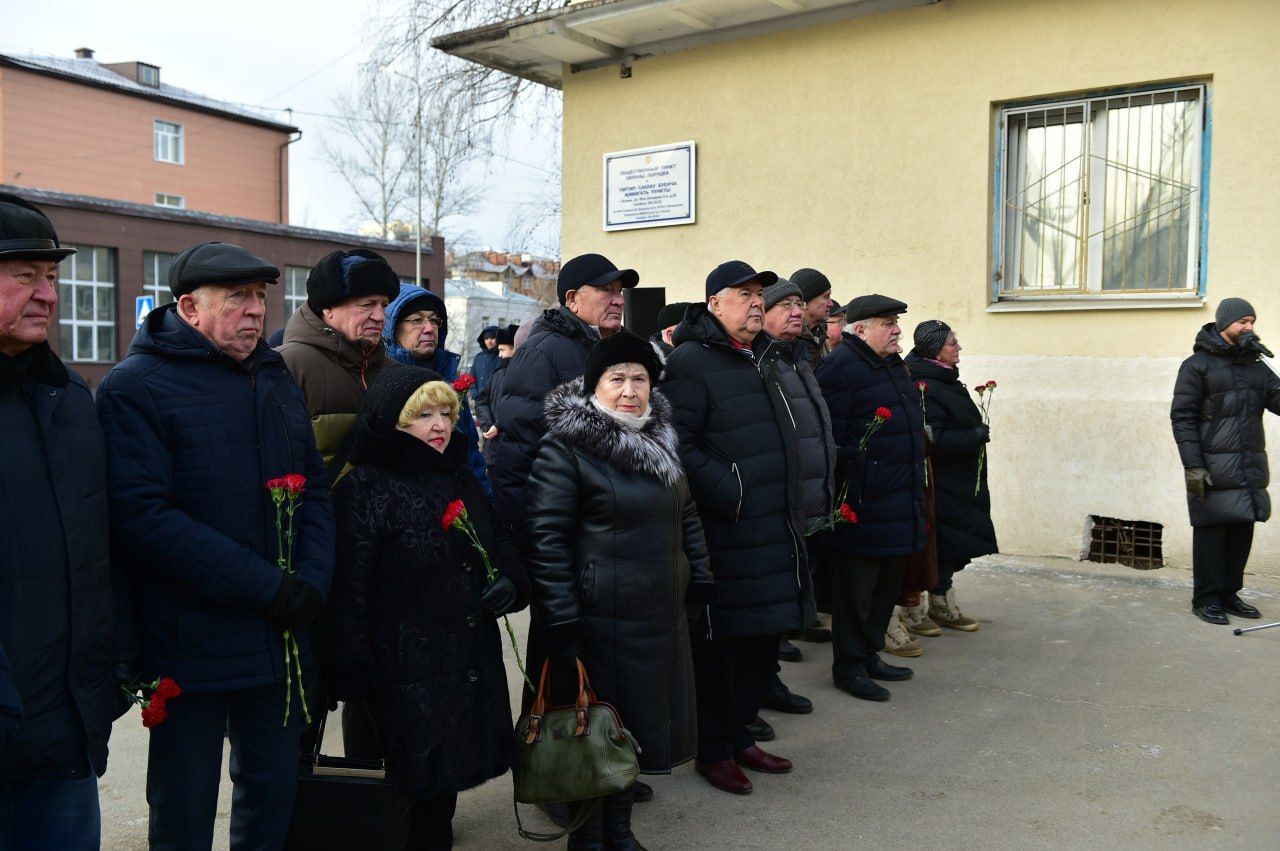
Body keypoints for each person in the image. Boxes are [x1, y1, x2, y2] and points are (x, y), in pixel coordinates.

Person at [97, 241, 335, 848]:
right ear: (189, 307)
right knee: (184, 807)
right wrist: (269, 587)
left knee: (272, 795)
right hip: (189, 643)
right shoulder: (136, 387)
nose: (256, 311)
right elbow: (144, 518)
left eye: (260, 296)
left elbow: (312, 489)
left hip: (278, 638)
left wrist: (312, 580)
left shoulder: (274, 374)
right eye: (237, 298)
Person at [524, 330, 713, 849]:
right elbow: (545, 537)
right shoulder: (567, 446)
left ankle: (621, 832)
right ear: (594, 386)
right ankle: (587, 839)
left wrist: (698, 574)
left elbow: (686, 512)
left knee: (633, 729)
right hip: (595, 618)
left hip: (656, 614)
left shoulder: (661, 437)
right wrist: (560, 616)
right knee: (592, 729)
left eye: (640, 378)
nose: (630, 390)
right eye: (617, 379)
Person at [328, 367, 528, 850]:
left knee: (442, 789)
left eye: (446, 413)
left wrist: (510, 578)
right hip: (399, 668)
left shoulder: (457, 473)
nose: (440, 425)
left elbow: (497, 535)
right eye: (423, 416)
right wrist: (350, 664)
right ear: (392, 421)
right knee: (398, 792)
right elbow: (348, 587)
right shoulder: (365, 488)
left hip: (462, 660)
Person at [663, 260, 813, 796]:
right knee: (723, 647)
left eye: (759, 293)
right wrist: (734, 490)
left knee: (762, 641)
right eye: (743, 294)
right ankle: (715, 748)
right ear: (713, 304)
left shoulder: (761, 357)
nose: (756, 301)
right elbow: (678, 441)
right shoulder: (690, 361)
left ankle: (741, 733)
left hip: (775, 525)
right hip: (727, 531)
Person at [0, 193, 117, 849]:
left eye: (52, 276)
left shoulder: (72, 401)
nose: (47, 293)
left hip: (65, 733)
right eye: (25, 275)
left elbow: (98, 553)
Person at [815, 294, 926, 702]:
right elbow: (831, 438)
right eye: (887, 322)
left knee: (885, 587)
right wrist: (857, 475)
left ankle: (870, 654)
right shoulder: (841, 368)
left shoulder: (893, 364)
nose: (897, 329)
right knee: (855, 592)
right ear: (859, 330)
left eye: (895, 321)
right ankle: (848, 666)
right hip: (862, 503)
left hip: (898, 498)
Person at [490, 253, 636, 527]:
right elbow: (520, 453)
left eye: (619, 291)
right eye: (606, 291)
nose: (618, 300)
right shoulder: (541, 352)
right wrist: (531, 534)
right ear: (572, 299)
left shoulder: (627, 349)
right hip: (566, 521)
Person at [1171, 298, 1277, 625]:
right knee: (1211, 534)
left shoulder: (1255, 365)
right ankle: (1206, 599)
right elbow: (1183, 417)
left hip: (1247, 466)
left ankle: (1230, 594)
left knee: (1240, 532)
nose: (1249, 327)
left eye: (1252, 321)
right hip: (1212, 467)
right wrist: (1194, 466)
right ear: (1224, 324)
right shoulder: (1197, 365)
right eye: (1243, 321)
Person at [757, 280, 836, 716]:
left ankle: (770, 679)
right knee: (771, 597)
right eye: (783, 304)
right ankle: (763, 682)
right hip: (779, 500)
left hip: (806, 496)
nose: (795, 310)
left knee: (790, 588)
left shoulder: (797, 357)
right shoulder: (762, 361)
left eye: (798, 303)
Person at [904, 320, 995, 634]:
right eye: (952, 343)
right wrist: (975, 435)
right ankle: (926, 606)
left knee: (953, 546)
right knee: (942, 546)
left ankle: (941, 601)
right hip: (941, 484)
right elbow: (935, 440)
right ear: (935, 351)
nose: (959, 348)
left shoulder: (944, 379)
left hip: (959, 482)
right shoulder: (925, 386)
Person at [277, 248, 402, 473]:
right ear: (328, 307)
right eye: (367, 304)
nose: (380, 316)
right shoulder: (288, 365)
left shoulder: (395, 372)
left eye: (384, 305)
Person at [383, 283, 488, 490]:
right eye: (417, 320)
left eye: (434, 320)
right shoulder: (381, 381)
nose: (429, 328)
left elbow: (471, 455)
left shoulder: (450, 379)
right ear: (393, 327)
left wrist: (485, 506)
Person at [475, 324, 519, 456]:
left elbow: (520, 407)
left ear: (515, 349)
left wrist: (499, 426)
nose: (499, 355)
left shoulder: (524, 375)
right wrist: (487, 425)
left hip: (512, 448)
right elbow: (482, 400)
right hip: (492, 448)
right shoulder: (497, 375)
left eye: (502, 350)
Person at [791, 267, 833, 367]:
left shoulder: (820, 336)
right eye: (826, 297)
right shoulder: (791, 339)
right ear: (805, 302)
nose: (831, 304)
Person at [472, 325, 501, 392]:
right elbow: (472, 378)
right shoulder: (478, 358)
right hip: (479, 399)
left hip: (496, 399)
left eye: (492, 337)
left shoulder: (502, 357)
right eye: (486, 338)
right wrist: (475, 394)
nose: (489, 341)